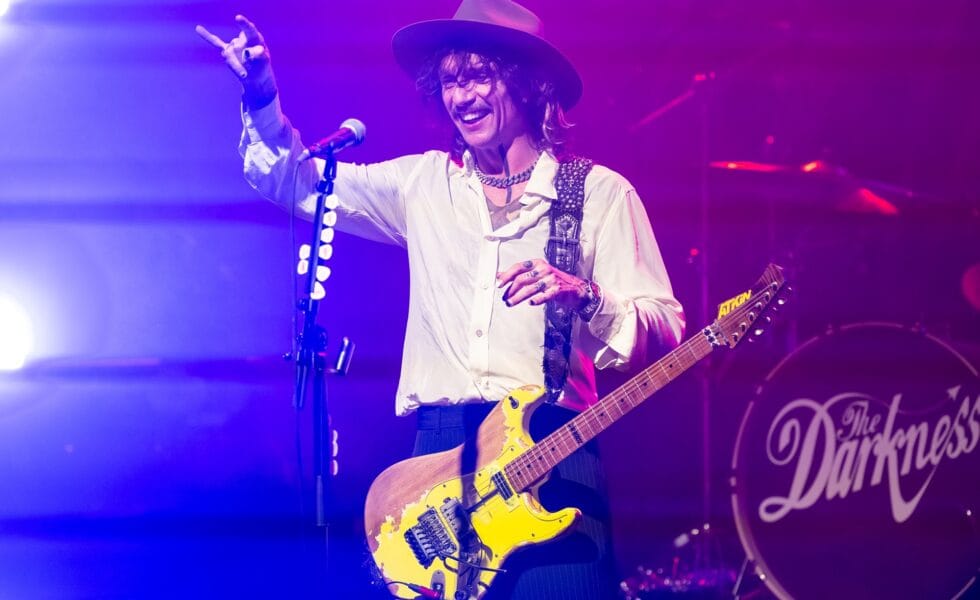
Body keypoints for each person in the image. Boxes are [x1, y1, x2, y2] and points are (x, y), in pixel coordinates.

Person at [197, 1, 685, 597]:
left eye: (480, 76)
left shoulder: (600, 195)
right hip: (441, 460)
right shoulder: (423, 185)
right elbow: (294, 182)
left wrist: (585, 294)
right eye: (451, 81)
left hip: (555, 456)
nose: (463, 97)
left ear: (527, 84)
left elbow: (665, 329)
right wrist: (262, 99)